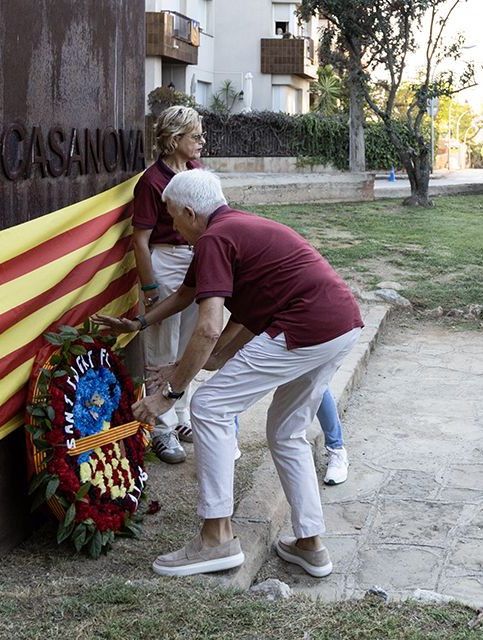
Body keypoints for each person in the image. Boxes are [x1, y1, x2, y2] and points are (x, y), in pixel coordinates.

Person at [97, 170, 364, 577]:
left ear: (190, 212)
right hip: (341, 326)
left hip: (306, 328)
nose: (173, 228)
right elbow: (189, 299)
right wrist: (140, 325)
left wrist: (168, 394)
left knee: (208, 406)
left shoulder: (214, 239)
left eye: (172, 218)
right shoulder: (234, 228)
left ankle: (216, 539)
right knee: (287, 430)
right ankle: (310, 543)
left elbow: (208, 328)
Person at [132, 106, 206, 464]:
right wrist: (149, 289)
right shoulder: (151, 180)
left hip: (195, 258)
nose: (201, 142)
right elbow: (140, 240)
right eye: (195, 136)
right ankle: (160, 427)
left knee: (190, 340)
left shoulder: (197, 172)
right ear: (175, 140)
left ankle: (182, 417)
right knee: (162, 343)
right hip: (165, 260)